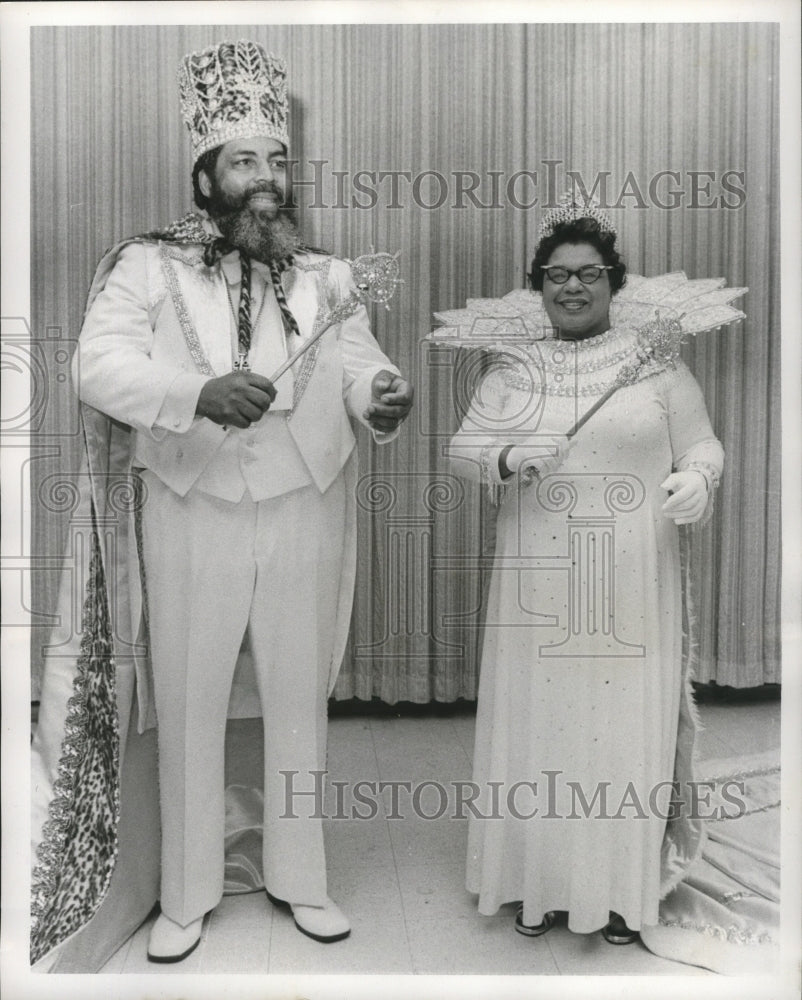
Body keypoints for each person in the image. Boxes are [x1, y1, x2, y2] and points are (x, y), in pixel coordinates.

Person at [30, 39, 412, 966]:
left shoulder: (327, 276)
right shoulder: (145, 267)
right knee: (193, 699)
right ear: (205, 177)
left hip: (303, 505)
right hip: (191, 503)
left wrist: (383, 393)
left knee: (296, 695)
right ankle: (187, 893)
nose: (269, 178)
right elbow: (96, 366)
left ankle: (300, 877)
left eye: (278, 160)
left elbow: (360, 366)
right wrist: (192, 395)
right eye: (246, 161)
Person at [448, 198, 723, 945]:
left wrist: (697, 480)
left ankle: (619, 893)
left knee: (619, 729)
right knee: (541, 727)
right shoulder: (514, 370)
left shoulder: (658, 366)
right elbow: (463, 451)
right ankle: (537, 887)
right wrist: (508, 456)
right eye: (557, 275)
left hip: (633, 573)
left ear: (612, 282)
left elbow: (704, 447)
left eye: (589, 274)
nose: (573, 287)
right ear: (538, 285)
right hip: (537, 578)